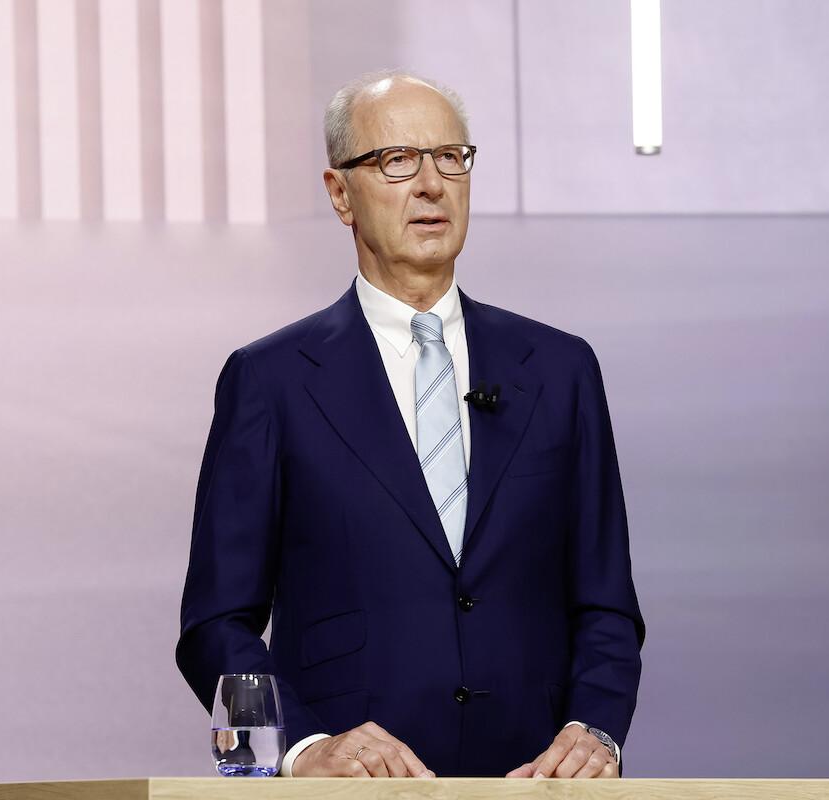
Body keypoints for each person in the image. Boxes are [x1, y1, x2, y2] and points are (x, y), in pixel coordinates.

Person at [177, 70, 643, 779]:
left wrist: (596, 731)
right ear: (341, 194)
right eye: (398, 161)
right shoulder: (270, 381)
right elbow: (213, 627)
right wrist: (297, 753)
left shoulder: (560, 369)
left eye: (451, 158)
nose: (431, 184)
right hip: (349, 793)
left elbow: (607, 604)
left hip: (532, 787)